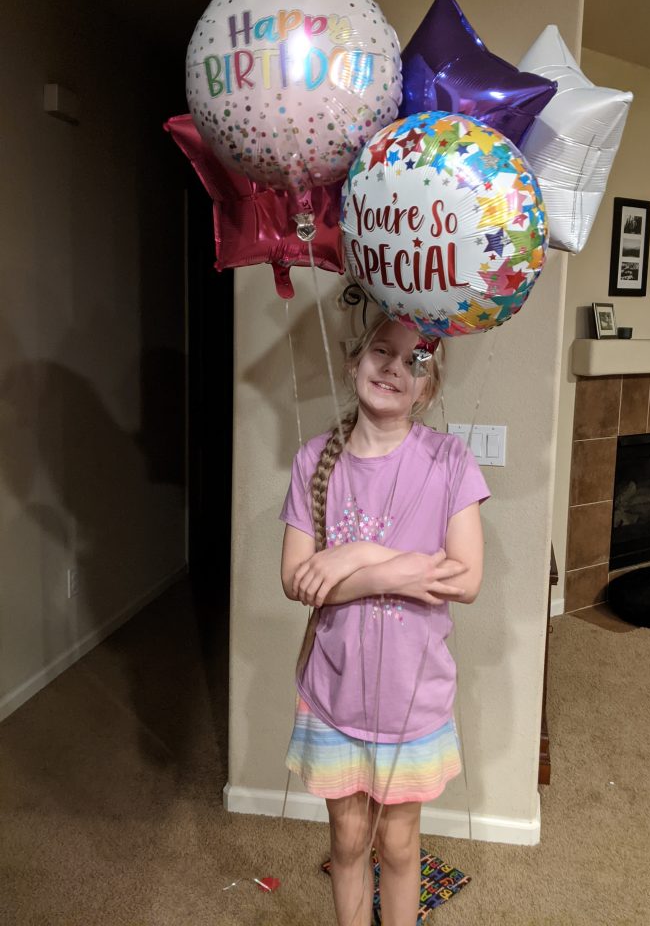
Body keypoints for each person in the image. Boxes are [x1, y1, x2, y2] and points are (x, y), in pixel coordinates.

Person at [279, 313, 489, 926]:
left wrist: (353, 556)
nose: (395, 367)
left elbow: (465, 579)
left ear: (428, 387)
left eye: (415, 360)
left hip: (410, 698)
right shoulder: (314, 459)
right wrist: (393, 570)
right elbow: (296, 580)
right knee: (348, 842)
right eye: (382, 351)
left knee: (397, 845)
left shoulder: (449, 460)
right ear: (355, 361)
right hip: (334, 691)